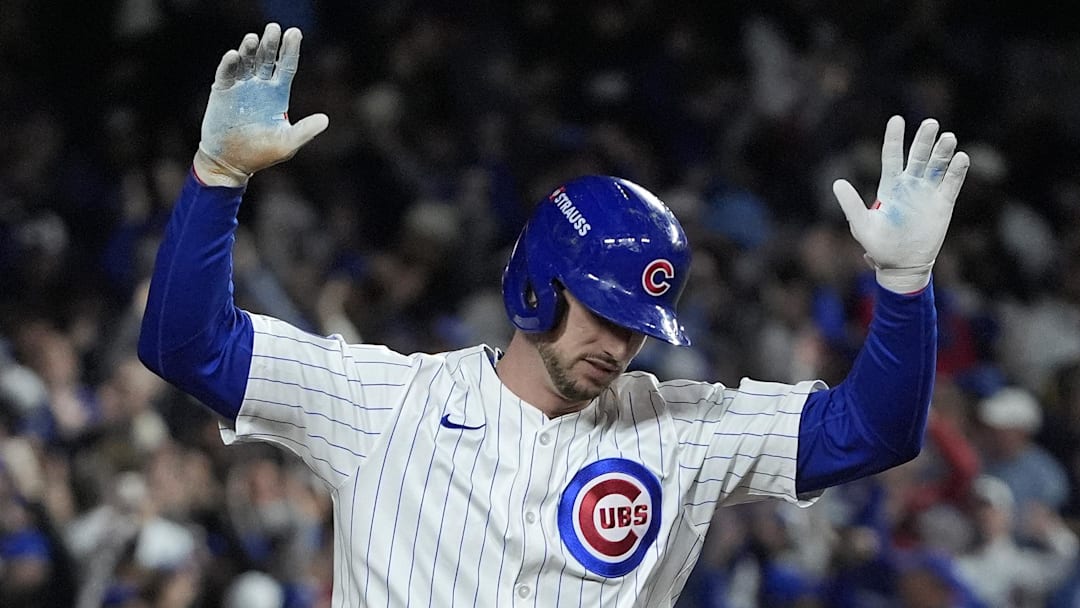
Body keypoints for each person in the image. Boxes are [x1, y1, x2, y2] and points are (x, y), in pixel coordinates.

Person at [137, 23, 970, 607]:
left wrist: (903, 284)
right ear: (538, 284)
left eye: (637, 323)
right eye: (601, 312)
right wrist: (217, 179)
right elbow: (186, 346)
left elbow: (876, 433)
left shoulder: (683, 432)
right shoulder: (383, 403)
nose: (619, 343)